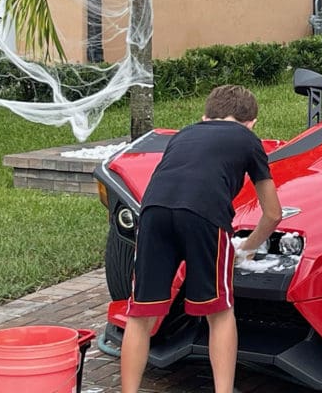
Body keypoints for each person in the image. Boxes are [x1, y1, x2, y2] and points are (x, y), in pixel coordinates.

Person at [121, 85, 283, 393]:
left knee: (142, 312)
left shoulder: (183, 134)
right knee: (219, 312)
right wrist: (246, 248)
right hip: (205, 215)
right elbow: (273, 213)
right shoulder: (249, 140)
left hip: (153, 212)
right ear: (252, 122)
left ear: (205, 116)